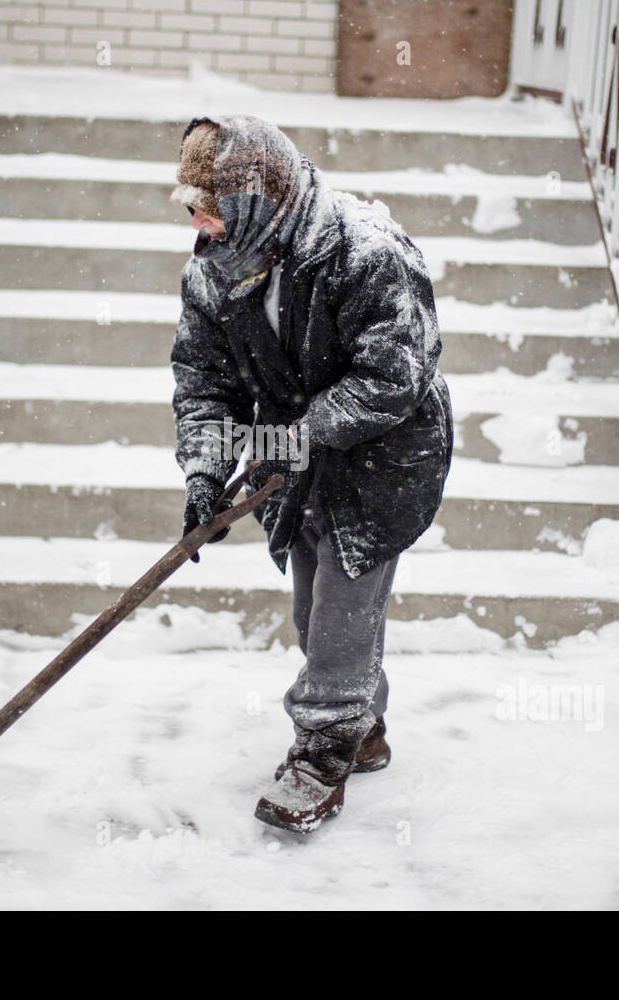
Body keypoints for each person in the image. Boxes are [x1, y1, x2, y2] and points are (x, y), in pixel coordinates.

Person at [168, 115, 453, 833]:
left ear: (257, 203)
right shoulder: (214, 267)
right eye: (189, 207)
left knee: (342, 605)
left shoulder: (365, 253)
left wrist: (301, 433)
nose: (198, 223)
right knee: (311, 605)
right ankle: (366, 725)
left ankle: (325, 748)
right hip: (290, 446)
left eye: (209, 207)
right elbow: (204, 380)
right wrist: (206, 470)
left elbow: (395, 375)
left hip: (387, 448)